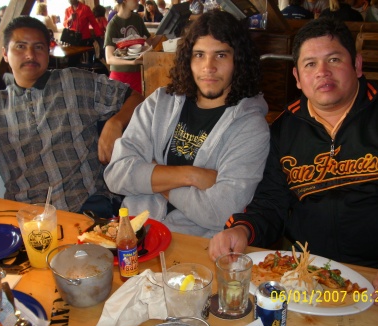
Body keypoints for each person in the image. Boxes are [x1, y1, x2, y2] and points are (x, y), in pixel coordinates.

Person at [208, 17, 378, 306]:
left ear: (357, 65)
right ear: (298, 78)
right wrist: (242, 229)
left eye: (334, 59)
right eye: (310, 64)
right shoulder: (283, 129)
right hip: (307, 276)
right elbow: (270, 204)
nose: (322, 72)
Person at [104, 10, 270, 238]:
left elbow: (220, 211)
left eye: (221, 55)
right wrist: (191, 175)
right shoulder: (158, 103)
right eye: (199, 55)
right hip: (136, 236)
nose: (208, 67)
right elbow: (117, 175)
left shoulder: (251, 127)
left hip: (195, 247)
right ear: (188, 59)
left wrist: (154, 176)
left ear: (238, 61)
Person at [0, 16, 144, 218]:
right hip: (30, 218)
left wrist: (115, 123)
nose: (30, 54)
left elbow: (135, 97)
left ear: (47, 52)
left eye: (38, 47)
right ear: (5, 53)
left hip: (87, 208)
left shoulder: (75, 81)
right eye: (20, 47)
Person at [104, 0, 152, 93]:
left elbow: (149, 42)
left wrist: (163, 31)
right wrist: (132, 62)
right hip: (119, 76)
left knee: (138, 106)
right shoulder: (113, 25)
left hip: (137, 74)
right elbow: (109, 59)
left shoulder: (137, 19)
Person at [63, 0, 104, 66]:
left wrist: (99, 35)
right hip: (72, 39)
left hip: (84, 38)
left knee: (78, 58)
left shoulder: (85, 8)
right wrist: (70, 19)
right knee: (71, 59)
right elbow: (65, 24)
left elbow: (94, 23)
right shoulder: (67, 10)